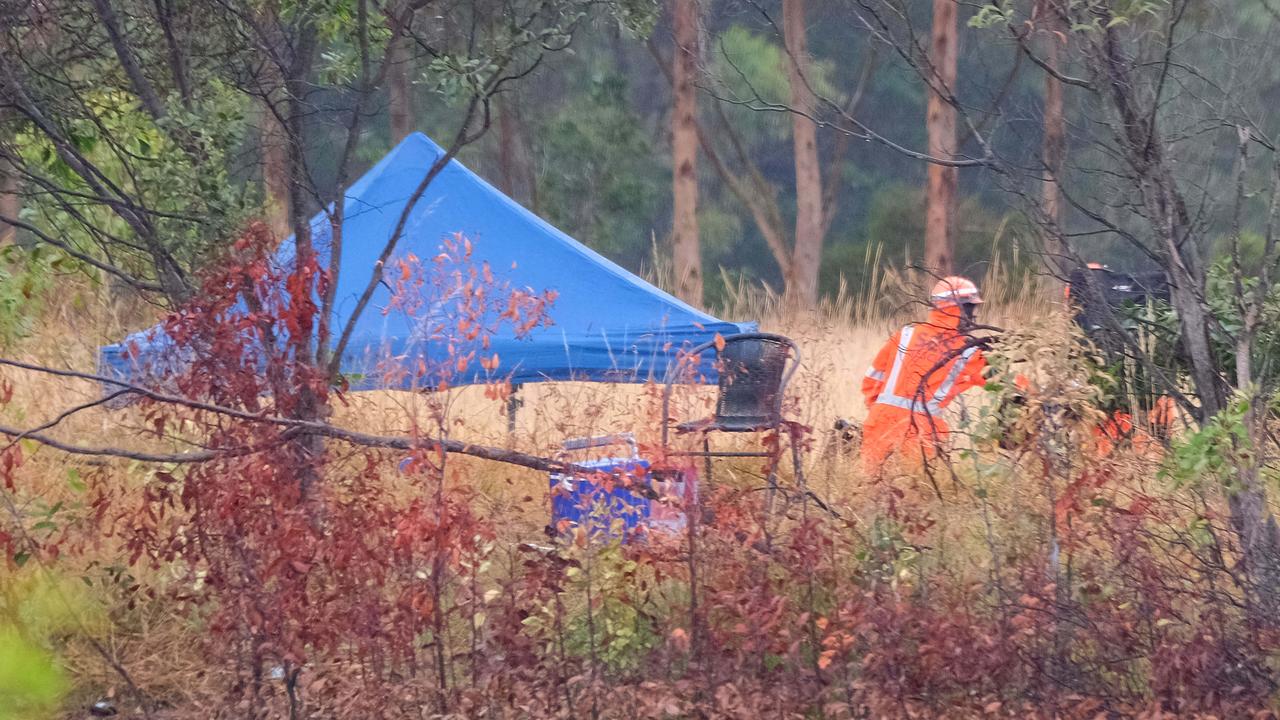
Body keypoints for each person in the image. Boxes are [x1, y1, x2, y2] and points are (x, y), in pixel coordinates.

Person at [860, 276, 988, 474]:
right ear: (955, 309)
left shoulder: (905, 334)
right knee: (918, 496)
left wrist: (880, 410)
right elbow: (999, 379)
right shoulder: (966, 350)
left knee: (871, 491)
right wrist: (1032, 395)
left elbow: (871, 380)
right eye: (970, 309)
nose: (973, 317)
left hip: (879, 423)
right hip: (922, 430)